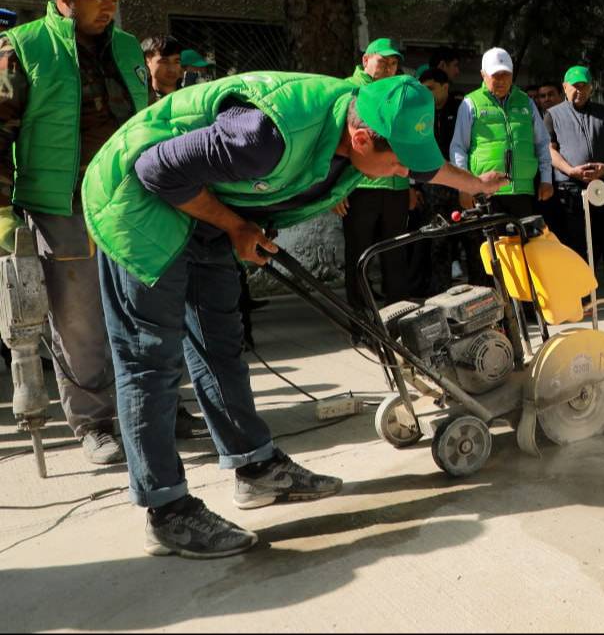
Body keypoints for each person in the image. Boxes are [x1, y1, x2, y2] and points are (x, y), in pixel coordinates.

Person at [83, 72, 505, 558]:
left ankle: (256, 469)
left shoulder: (369, 126)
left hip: (203, 207)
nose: (402, 173)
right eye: (397, 163)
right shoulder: (266, 134)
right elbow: (155, 170)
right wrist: (237, 226)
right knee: (150, 361)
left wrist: (477, 184)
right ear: (361, 138)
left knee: (221, 344)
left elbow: (422, 168)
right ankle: (167, 512)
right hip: (139, 204)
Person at [0, 0, 151, 466]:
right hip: (61, 204)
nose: (109, 8)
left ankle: (152, 408)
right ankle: (94, 423)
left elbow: (147, 121)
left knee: (144, 310)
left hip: (129, 201)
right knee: (79, 319)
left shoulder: (127, 47)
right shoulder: (22, 47)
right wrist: (2, 211)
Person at [334, 38, 415, 310]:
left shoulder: (398, 93)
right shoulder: (348, 89)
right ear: (366, 60)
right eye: (383, 61)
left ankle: (400, 316)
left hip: (396, 187)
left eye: (393, 63)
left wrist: (410, 184)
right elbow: (334, 141)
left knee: (396, 254)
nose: (389, 68)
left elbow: (404, 142)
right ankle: (361, 321)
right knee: (360, 256)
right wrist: (335, 189)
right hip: (359, 188)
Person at [545, 65, 604, 301]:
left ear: (591, 88)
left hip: (601, 185)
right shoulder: (552, 115)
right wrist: (570, 170)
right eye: (575, 87)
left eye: (584, 87)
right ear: (565, 87)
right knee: (576, 242)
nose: (579, 91)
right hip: (570, 187)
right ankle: (581, 294)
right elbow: (550, 150)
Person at [450, 47, 554, 218]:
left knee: (524, 236)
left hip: (522, 192)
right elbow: (458, 147)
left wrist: (546, 179)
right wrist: (464, 187)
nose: (501, 80)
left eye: (506, 74)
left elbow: (542, 143)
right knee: (491, 236)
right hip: (485, 192)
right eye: (495, 75)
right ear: (483, 74)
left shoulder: (526, 102)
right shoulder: (470, 103)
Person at [407, 65, 464, 295]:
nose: (426, 93)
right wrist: (414, 186)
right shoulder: (420, 113)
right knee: (438, 242)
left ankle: (483, 291)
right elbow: (413, 150)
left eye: (430, 88)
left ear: (445, 87)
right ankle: (442, 294)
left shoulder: (462, 109)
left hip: (462, 183)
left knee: (472, 239)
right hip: (432, 186)